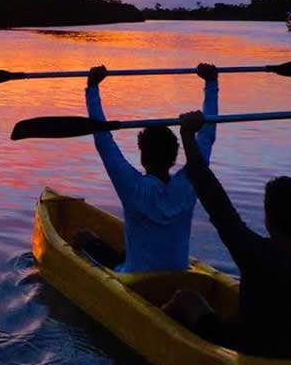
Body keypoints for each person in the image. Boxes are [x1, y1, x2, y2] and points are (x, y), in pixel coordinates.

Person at [164, 102, 291, 358]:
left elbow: (213, 198)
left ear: (268, 218)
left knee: (188, 299)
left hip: (257, 355)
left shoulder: (254, 253)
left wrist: (187, 136)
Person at [77, 62, 219, 272]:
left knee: (82, 237)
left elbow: (103, 140)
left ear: (142, 158)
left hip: (135, 282)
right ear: (173, 158)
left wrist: (92, 87)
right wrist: (211, 83)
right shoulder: (189, 184)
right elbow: (207, 136)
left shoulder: (132, 188)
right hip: (179, 275)